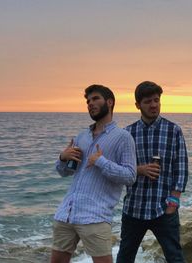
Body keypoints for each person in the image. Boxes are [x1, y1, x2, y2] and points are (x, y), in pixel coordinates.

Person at [50, 84, 137, 263]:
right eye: (88, 101)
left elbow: (130, 176)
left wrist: (101, 162)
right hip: (67, 213)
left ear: (110, 102)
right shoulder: (82, 136)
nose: (90, 103)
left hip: (95, 216)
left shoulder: (123, 137)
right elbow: (65, 172)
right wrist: (63, 157)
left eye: (95, 99)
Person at [117, 81, 189, 263]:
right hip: (134, 208)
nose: (154, 105)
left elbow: (180, 168)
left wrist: (173, 202)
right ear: (138, 105)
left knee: (175, 257)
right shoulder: (128, 133)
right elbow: (119, 170)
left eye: (156, 100)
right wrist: (139, 170)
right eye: (148, 101)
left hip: (163, 208)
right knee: (125, 257)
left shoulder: (173, 131)